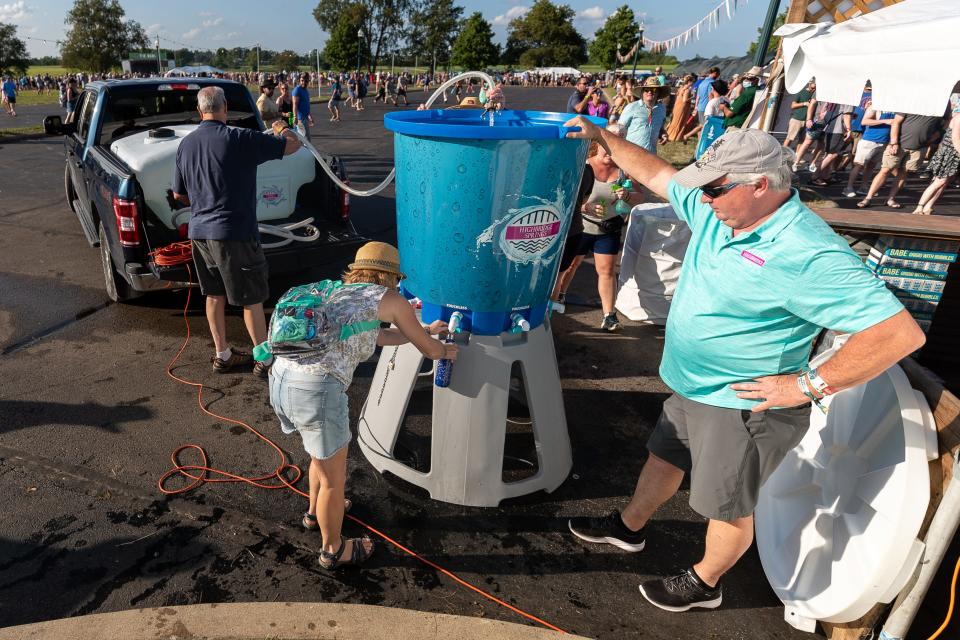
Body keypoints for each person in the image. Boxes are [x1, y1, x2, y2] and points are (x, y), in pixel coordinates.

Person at [562, 118, 925, 612]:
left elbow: (899, 333)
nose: (703, 198)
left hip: (743, 405)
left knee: (726, 505)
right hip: (693, 386)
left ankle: (705, 583)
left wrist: (807, 385)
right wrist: (602, 136)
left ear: (759, 185)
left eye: (714, 189)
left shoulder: (808, 252)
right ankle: (629, 529)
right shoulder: (720, 209)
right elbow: (655, 173)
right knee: (664, 456)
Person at [268, 242, 459, 569]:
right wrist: (444, 351)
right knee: (334, 478)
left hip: (282, 379)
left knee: (321, 457)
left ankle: (315, 513)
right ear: (391, 276)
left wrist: (422, 330)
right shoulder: (391, 300)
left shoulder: (338, 293)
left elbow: (376, 337)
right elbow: (429, 351)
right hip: (317, 391)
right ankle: (333, 549)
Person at [171, 86, 303, 379]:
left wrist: (205, 197)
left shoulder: (185, 145)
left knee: (214, 295)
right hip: (234, 232)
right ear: (225, 108)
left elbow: (180, 195)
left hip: (200, 233)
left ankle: (222, 354)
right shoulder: (239, 138)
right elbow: (294, 145)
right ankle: (264, 359)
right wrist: (280, 125)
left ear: (199, 111)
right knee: (250, 298)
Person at [553, 125, 640, 331]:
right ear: (598, 141)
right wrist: (586, 206)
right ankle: (558, 299)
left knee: (607, 271)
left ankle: (609, 316)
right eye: (608, 139)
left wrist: (627, 196)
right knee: (569, 266)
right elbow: (568, 199)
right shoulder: (584, 166)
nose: (610, 146)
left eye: (618, 140)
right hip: (582, 226)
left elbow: (639, 196)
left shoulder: (625, 169)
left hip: (608, 228)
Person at [858, 111, 944, 209]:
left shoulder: (939, 104)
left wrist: (939, 133)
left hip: (919, 147)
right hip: (900, 144)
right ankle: (868, 198)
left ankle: (891, 198)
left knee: (904, 172)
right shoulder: (910, 104)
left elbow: (948, 119)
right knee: (885, 170)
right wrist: (894, 143)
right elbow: (896, 122)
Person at [912, 93, 960, 215]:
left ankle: (928, 207)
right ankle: (919, 207)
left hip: (955, 155)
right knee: (938, 181)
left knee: (944, 183)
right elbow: (956, 139)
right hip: (950, 154)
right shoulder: (959, 118)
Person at [843, 102, 895, 198]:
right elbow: (865, 121)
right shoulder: (875, 106)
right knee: (859, 165)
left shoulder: (896, 108)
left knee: (871, 166)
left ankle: (863, 187)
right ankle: (848, 188)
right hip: (869, 140)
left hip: (883, 141)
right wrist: (885, 121)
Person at [619, 77, 669, 153]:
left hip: (651, 154)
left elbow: (660, 128)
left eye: (654, 89)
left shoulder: (662, 109)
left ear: (659, 93)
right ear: (642, 92)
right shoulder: (631, 107)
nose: (650, 92)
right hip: (631, 153)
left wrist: (663, 135)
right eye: (646, 89)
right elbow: (619, 129)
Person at [784, 79, 816, 149]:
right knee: (790, 138)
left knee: (802, 140)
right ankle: (782, 154)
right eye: (813, 88)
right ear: (809, 84)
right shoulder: (801, 92)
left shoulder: (815, 95)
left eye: (815, 88)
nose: (813, 90)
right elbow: (793, 106)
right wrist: (804, 103)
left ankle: (797, 156)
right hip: (797, 119)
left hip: (808, 121)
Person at [665, 75, 696, 142]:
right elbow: (685, 100)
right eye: (692, 82)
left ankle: (669, 134)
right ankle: (675, 136)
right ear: (689, 82)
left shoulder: (681, 88)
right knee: (680, 120)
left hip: (677, 106)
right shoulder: (687, 90)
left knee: (674, 120)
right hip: (682, 107)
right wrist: (692, 97)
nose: (693, 83)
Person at [292, 73, 314, 139]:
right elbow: (295, 104)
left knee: (303, 139)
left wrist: (310, 116)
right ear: (299, 80)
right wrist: (295, 117)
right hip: (300, 118)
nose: (304, 82)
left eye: (306, 81)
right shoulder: (297, 90)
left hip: (305, 117)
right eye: (302, 80)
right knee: (306, 140)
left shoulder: (305, 90)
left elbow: (306, 104)